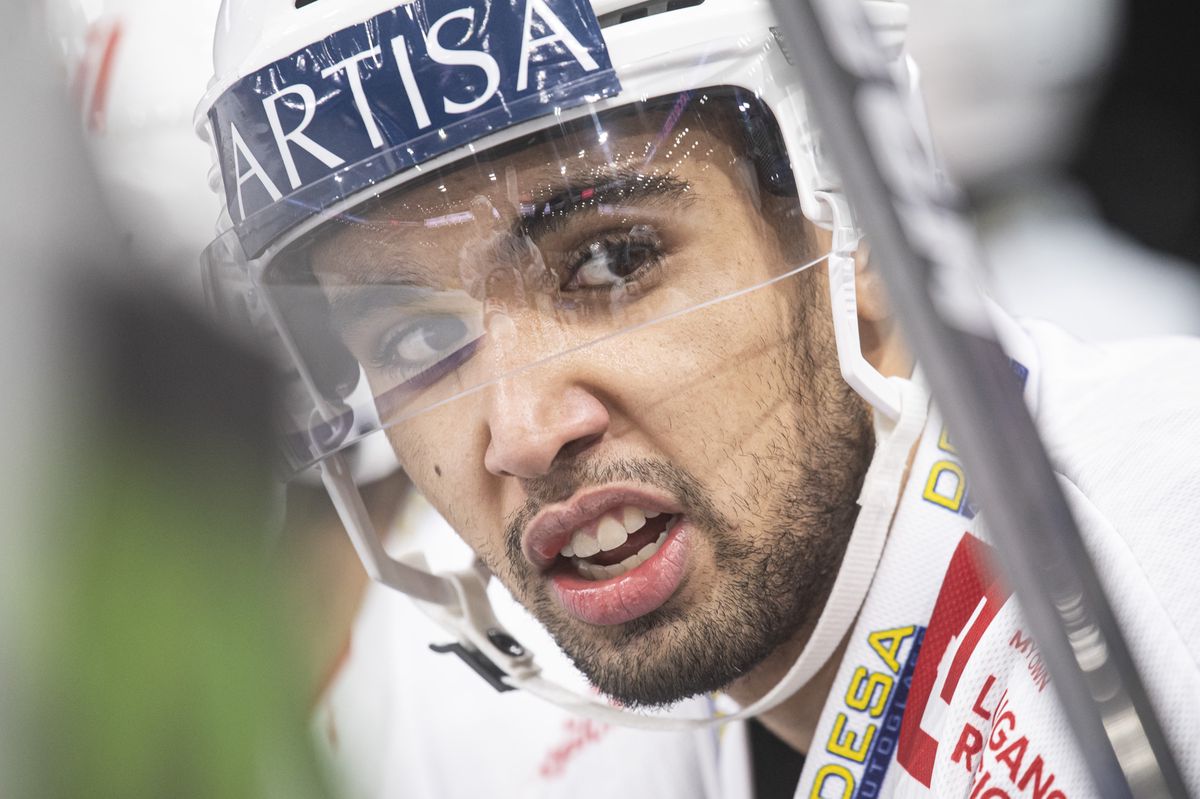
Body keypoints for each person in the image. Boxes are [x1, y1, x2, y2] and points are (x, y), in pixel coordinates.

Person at [195, 0, 1200, 795]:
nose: (526, 433)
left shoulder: (1173, 562)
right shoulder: (471, 738)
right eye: (417, 337)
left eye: (612, 260)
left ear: (863, 216)